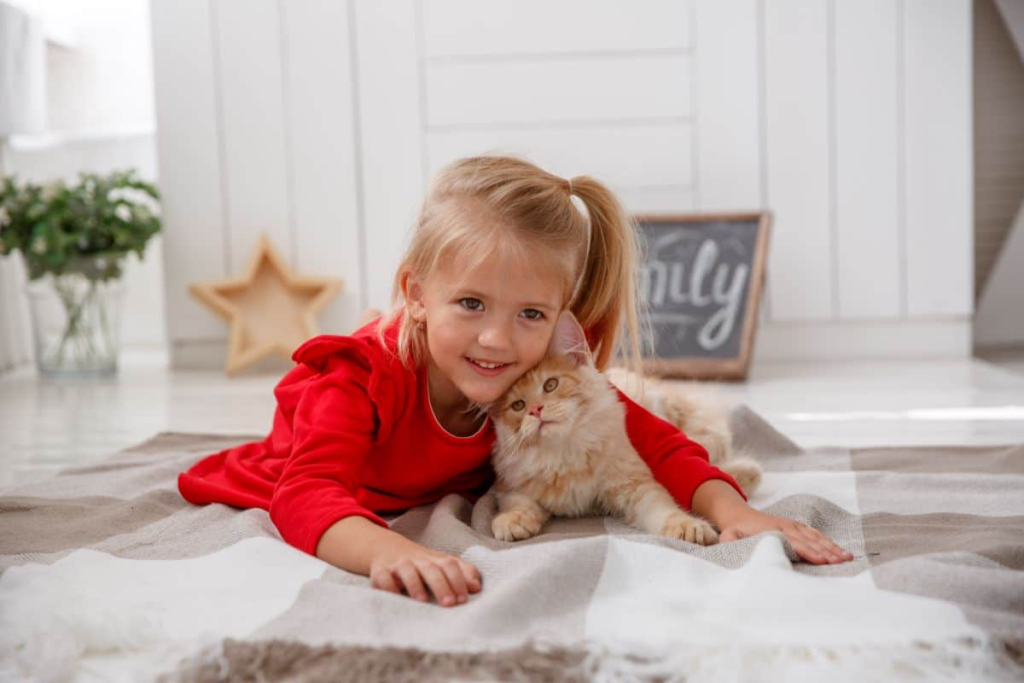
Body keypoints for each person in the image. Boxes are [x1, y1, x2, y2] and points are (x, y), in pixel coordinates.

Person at [178, 155, 854, 609]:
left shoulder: (529, 372)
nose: (498, 339)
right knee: (371, 377)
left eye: (529, 313)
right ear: (416, 291)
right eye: (470, 303)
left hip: (415, 453)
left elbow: (651, 442)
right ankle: (383, 323)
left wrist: (732, 512)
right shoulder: (354, 379)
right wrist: (386, 548)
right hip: (307, 474)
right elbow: (307, 492)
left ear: (557, 317)